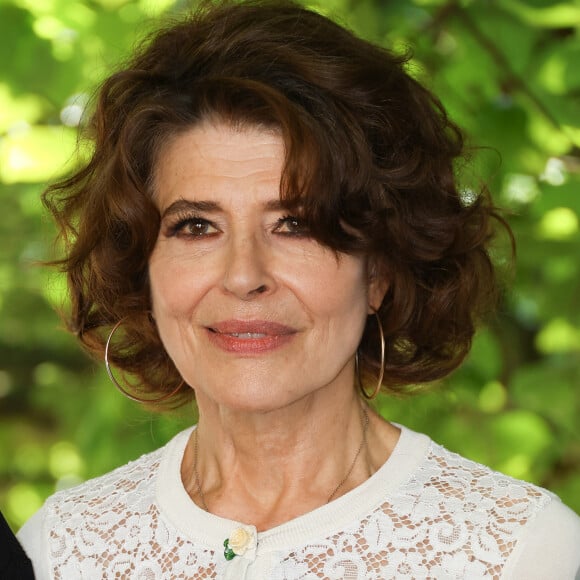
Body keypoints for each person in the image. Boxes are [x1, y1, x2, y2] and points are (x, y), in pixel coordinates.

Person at [17, 0, 580, 578]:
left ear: (380, 270)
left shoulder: (524, 552)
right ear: (143, 267)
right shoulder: (59, 548)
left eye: (296, 224)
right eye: (196, 226)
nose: (243, 276)